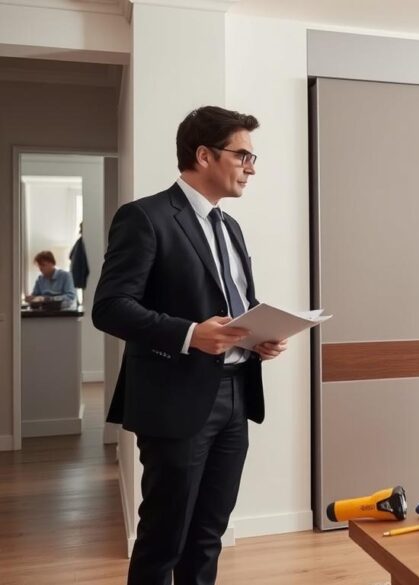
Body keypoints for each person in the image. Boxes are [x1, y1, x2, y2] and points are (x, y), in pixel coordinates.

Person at [93, 106, 288, 585]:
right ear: (204, 155)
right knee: (164, 538)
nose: (252, 167)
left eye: (252, 156)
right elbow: (111, 306)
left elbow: (235, 301)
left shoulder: (231, 227)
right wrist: (189, 334)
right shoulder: (146, 217)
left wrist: (259, 333)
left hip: (237, 395)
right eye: (243, 155)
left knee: (208, 535)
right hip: (174, 400)